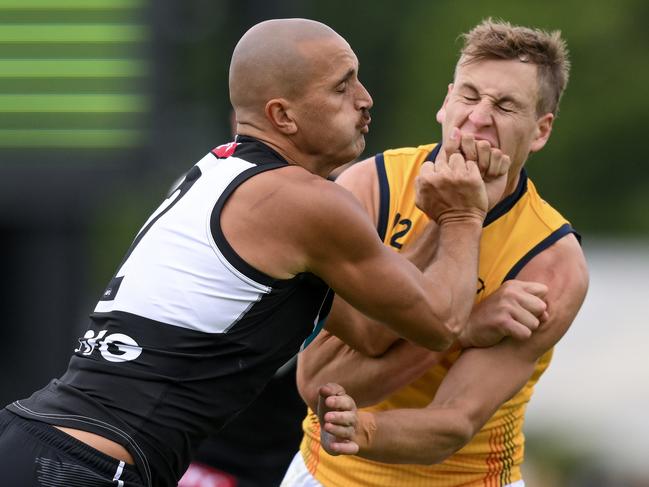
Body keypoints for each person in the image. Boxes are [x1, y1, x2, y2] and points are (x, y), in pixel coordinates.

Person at [0, 18, 506, 487]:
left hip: (41, 440)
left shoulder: (220, 174)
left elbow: (373, 333)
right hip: (83, 466)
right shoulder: (304, 202)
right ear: (282, 116)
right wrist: (463, 216)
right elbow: (441, 322)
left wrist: (442, 221)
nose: (365, 99)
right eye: (342, 86)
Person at [281, 18, 589, 487]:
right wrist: (463, 324)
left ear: (541, 130)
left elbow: (453, 423)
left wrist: (362, 427)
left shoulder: (551, 260)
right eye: (469, 95)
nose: (480, 116)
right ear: (446, 103)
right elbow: (319, 380)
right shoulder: (370, 188)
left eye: (506, 105)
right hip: (327, 474)